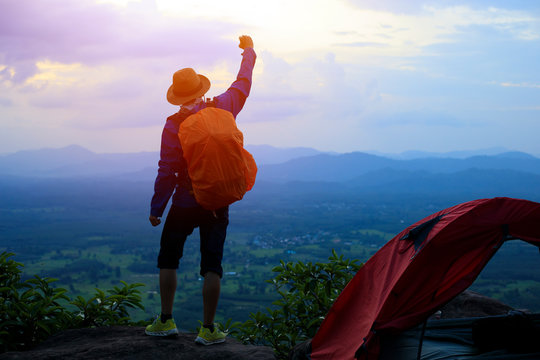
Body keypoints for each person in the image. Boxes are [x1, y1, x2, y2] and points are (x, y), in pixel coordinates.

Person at [145, 35, 256, 345]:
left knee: (168, 258)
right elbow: (243, 81)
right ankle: (208, 329)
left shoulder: (172, 125)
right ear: (201, 89)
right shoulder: (224, 106)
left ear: (178, 96)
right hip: (217, 201)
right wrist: (249, 51)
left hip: (183, 200)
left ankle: (166, 320)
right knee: (212, 265)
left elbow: (166, 170)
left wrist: (157, 209)